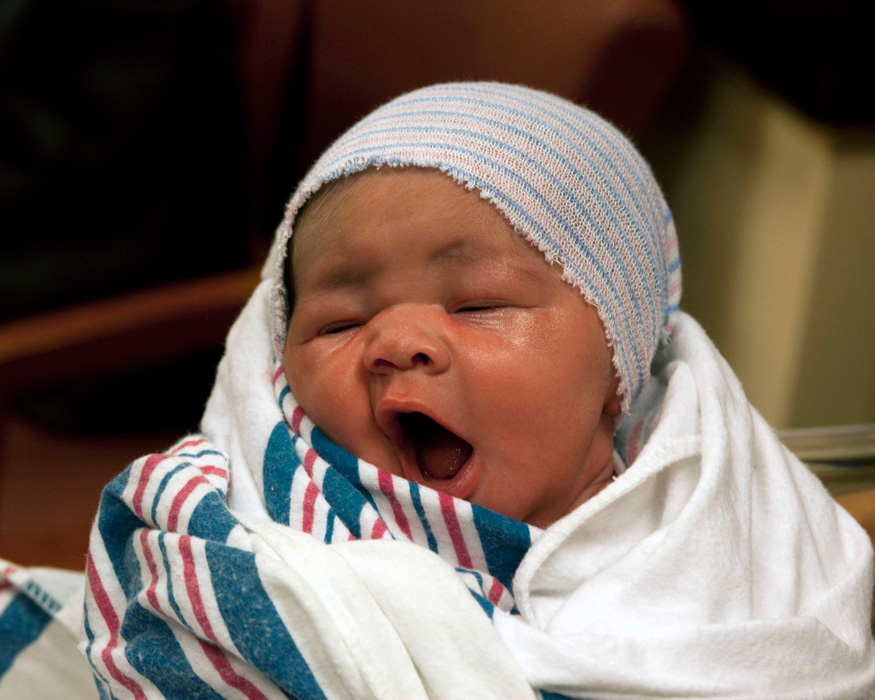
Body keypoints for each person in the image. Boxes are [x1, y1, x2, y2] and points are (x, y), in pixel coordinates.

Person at [3, 82, 873, 699]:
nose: (396, 341)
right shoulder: (236, 535)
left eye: (478, 304)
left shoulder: (723, 536)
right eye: (340, 321)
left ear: (616, 362)